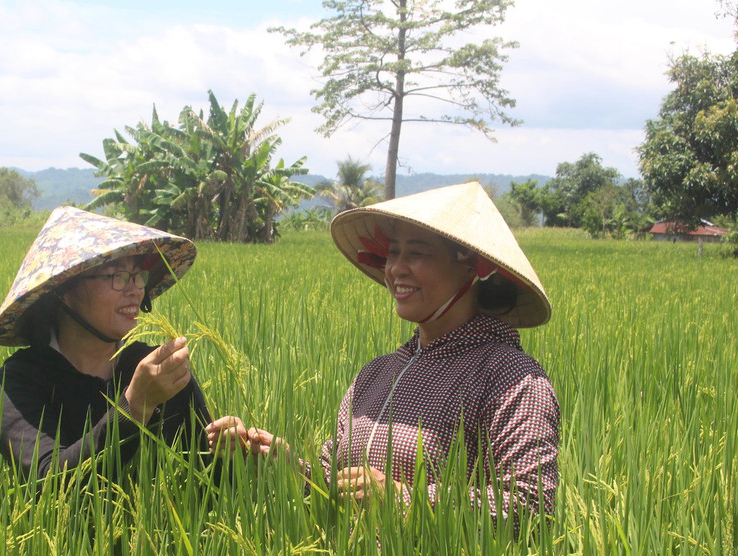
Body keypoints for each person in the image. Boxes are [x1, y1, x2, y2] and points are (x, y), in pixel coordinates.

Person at [205, 182, 560, 525]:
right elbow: (337, 482)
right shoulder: (376, 373)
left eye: (416, 253)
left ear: (472, 266)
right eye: (393, 253)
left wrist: (405, 499)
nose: (394, 269)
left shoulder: (511, 377)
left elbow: (532, 504)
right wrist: (286, 464)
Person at [0, 206, 216, 484]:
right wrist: (134, 407)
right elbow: (48, 484)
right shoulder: (18, 382)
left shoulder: (157, 369)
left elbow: (203, 477)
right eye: (117, 277)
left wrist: (241, 459)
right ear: (64, 291)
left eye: (138, 276)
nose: (135, 290)